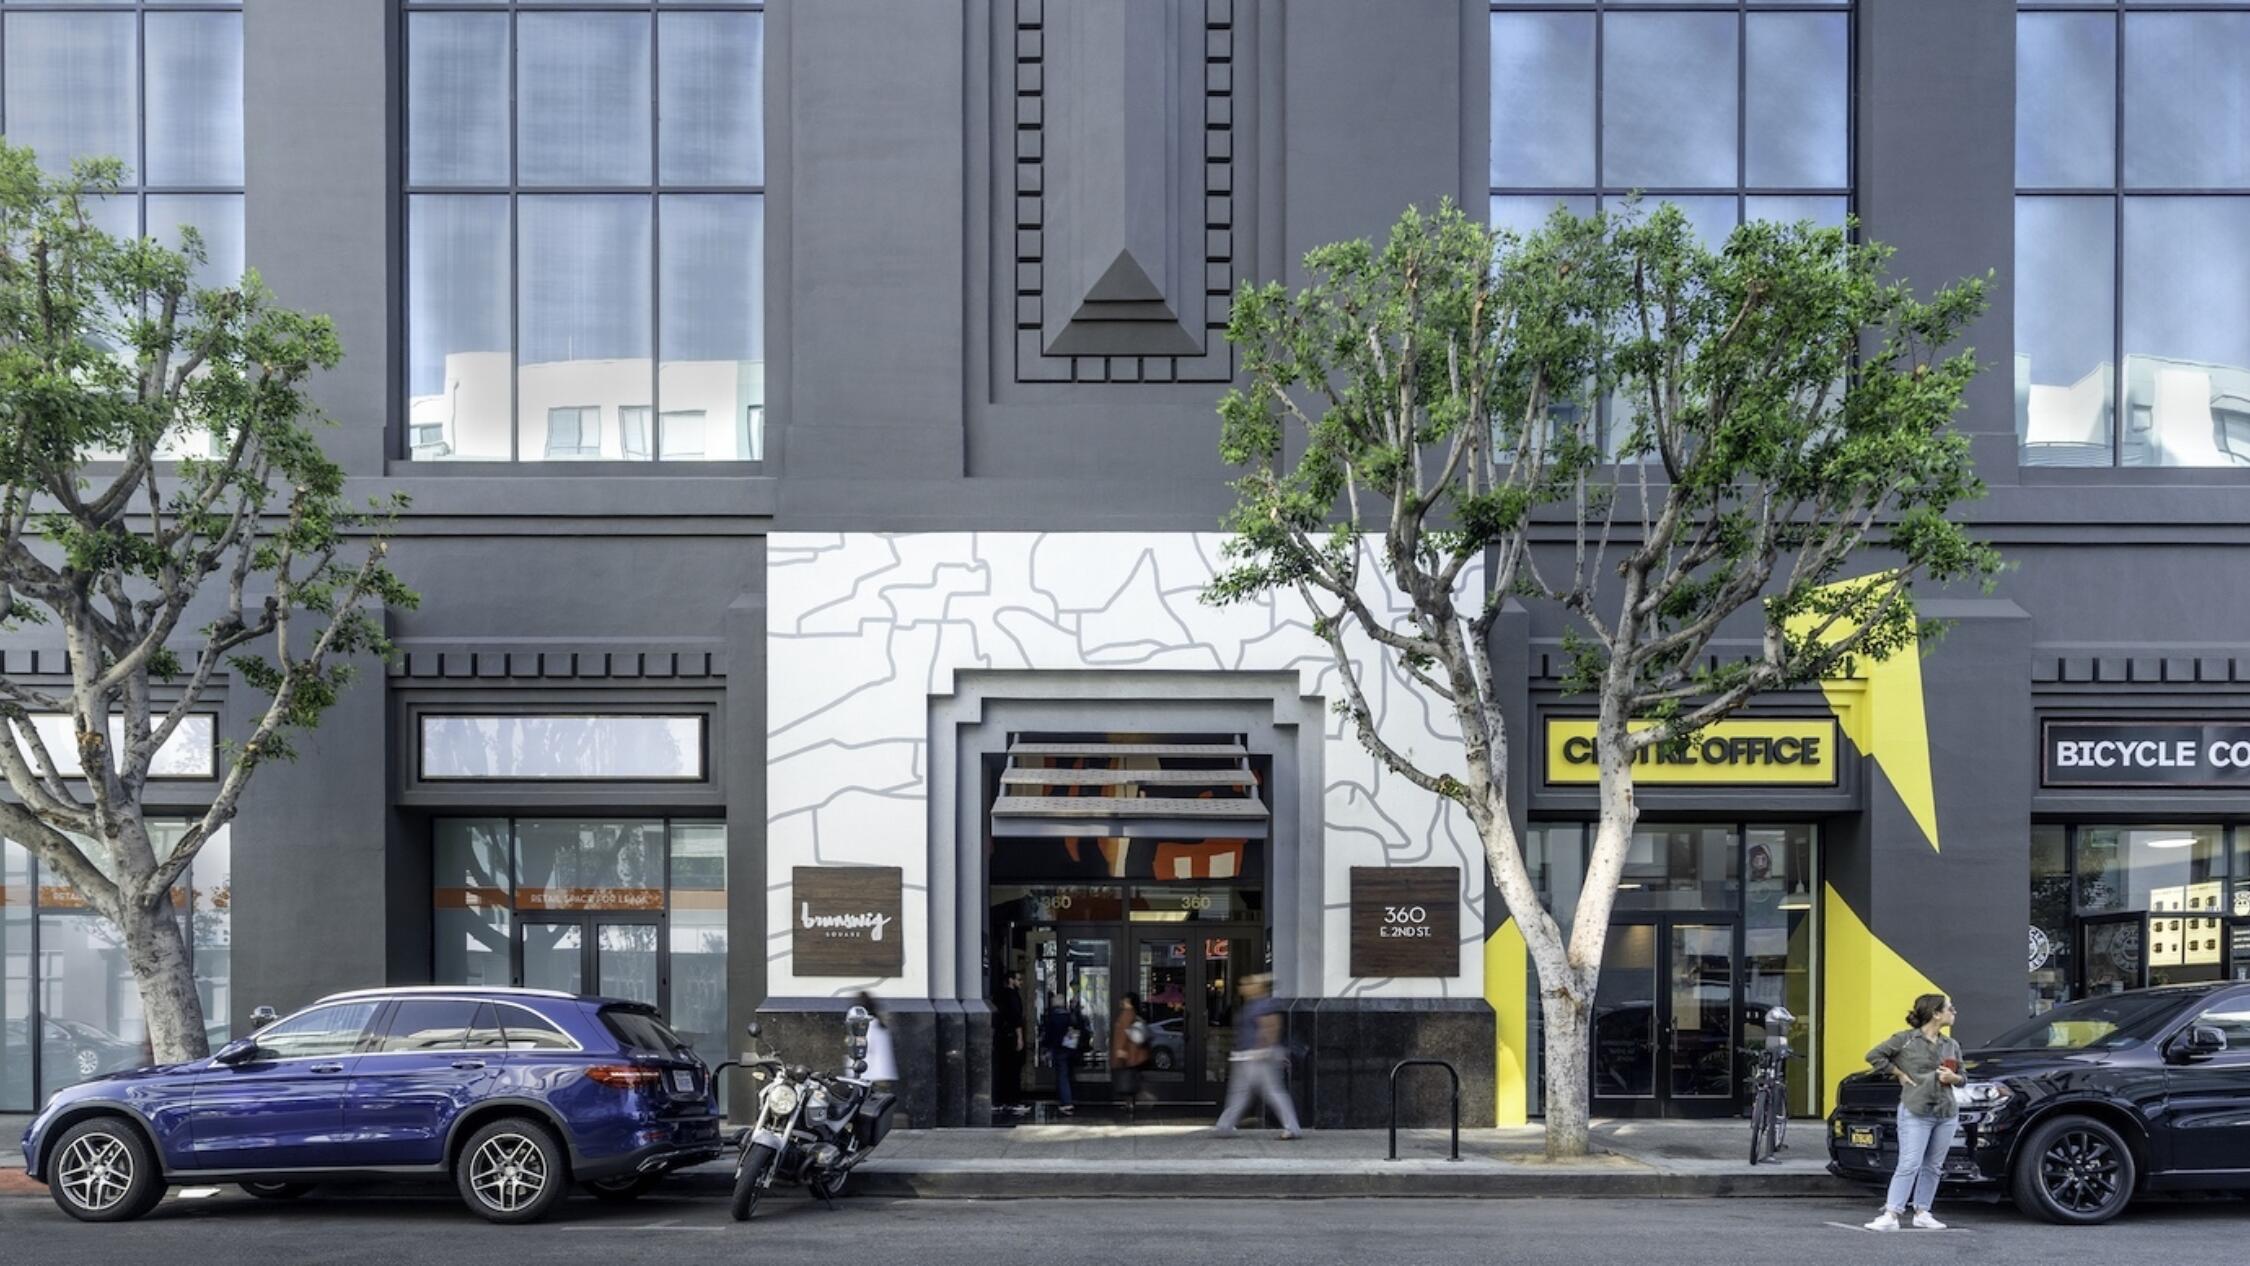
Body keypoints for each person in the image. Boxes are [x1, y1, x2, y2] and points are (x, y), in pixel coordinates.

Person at [1863, 993, 1987, 1231]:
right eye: (1950, 1008)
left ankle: (1923, 1211)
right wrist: (1897, 1073)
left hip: (1946, 1111)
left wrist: (1954, 1078)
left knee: (1934, 1165)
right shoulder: (1905, 1040)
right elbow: (1873, 1056)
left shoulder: (1951, 1045)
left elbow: (1963, 1078)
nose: (1955, 1012)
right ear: (1935, 1014)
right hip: (1915, 1108)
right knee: (1909, 1162)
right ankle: (1892, 1213)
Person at [1212, 974, 1301, 1139]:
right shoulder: (1251, 1005)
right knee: (1240, 1093)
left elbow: (1271, 1026)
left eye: (1247, 984)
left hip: (1258, 1057)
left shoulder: (1264, 1004)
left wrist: (1265, 1049)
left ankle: (1292, 1127)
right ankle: (1224, 1126)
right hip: (1245, 1056)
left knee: (1273, 1092)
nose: (1242, 987)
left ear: (1258, 988)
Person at [994, 968, 1029, 1118]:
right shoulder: (1013, 996)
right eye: (1018, 979)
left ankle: (1003, 1101)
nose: (1021, 982)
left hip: (1002, 1037)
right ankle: (1013, 1102)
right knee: (1014, 1070)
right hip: (1011, 1037)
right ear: (1011, 980)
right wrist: (1020, 1037)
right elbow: (1016, 1018)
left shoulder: (999, 995)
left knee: (1004, 1070)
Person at [1038, 992, 1081, 1116]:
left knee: (1062, 1075)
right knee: (1068, 1074)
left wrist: (1045, 1048)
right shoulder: (1069, 1016)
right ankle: (1070, 1098)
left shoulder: (1052, 1017)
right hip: (1071, 1049)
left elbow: (1048, 1035)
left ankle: (1066, 1102)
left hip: (1059, 1049)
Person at [1111, 992, 1152, 1119]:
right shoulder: (1135, 1014)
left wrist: (1120, 1051)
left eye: (1123, 1000)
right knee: (1131, 1078)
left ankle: (1137, 1100)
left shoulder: (1126, 1015)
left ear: (1127, 1002)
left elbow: (1121, 1036)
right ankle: (1132, 1102)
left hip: (1128, 1053)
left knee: (1127, 1079)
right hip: (1134, 1053)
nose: (1121, 1002)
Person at [854, 992, 898, 1086]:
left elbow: (866, 1045)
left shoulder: (868, 1025)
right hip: (882, 1072)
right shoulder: (878, 1024)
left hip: (871, 1073)